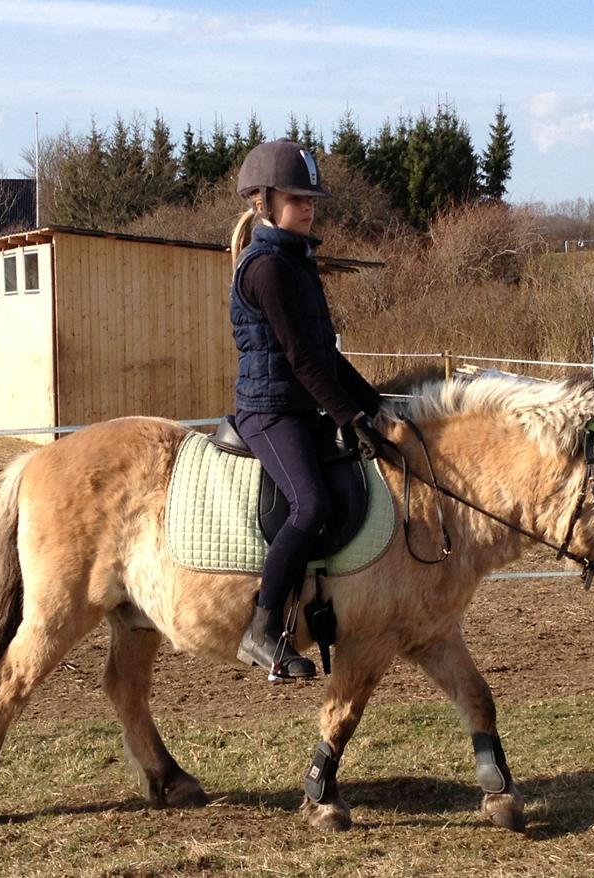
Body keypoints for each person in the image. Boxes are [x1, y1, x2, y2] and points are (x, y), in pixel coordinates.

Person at [229, 138, 384, 680]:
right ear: (263, 203)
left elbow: (328, 359)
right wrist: (348, 418)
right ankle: (263, 630)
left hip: (302, 404)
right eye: (297, 198)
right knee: (310, 505)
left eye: (312, 198)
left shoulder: (298, 263)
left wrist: (376, 407)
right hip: (269, 410)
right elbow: (299, 360)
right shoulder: (267, 269)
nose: (309, 206)